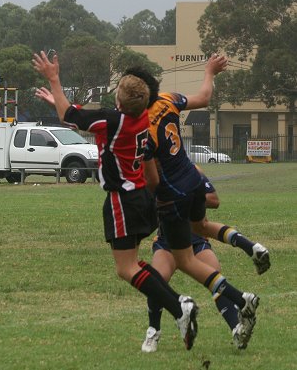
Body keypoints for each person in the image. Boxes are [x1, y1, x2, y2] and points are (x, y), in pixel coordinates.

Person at [32, 50, 199, 351]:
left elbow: (70, 116)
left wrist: (55, 80)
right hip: (140, 197)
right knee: (135, 264)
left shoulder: (113, 120)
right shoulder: (139, 118)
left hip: (122, 200)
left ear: (118, 102)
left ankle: (179, 306)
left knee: (126, 269)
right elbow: (84, 120)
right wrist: (61, 102)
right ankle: (179, 306)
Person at [123, 56, 262, 351]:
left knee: (184, 263)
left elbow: (152, 182)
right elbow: (204, 97)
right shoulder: (168, 99)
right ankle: (157, 329)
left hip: (173, 197)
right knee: (200, 230)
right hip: (194, 181)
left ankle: (241, 299)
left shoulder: (142, 130)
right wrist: (209, 71)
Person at [141, 173, 249, 352]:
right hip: (167, 243)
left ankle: (236, 328)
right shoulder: (154, 177)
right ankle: (153, 332)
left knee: (217, 279)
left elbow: (214, 200)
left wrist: (187, 197)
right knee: (156, 282)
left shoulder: (190, 171)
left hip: (195, 241)